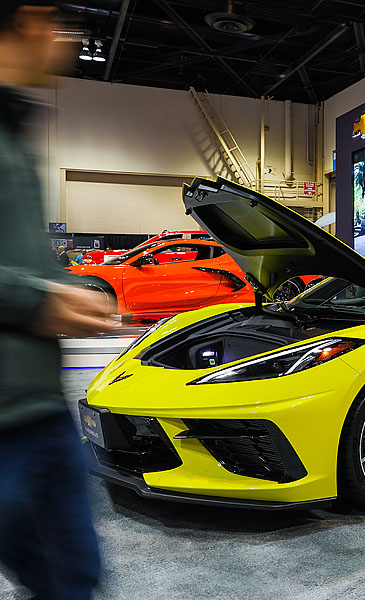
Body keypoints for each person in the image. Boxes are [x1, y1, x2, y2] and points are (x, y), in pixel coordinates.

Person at [0, 3, 114, 598]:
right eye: (62, 26)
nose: (67, 43)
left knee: (75, 574)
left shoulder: (16, 127)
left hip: (41, 406)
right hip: (6, 420)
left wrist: (58, 288)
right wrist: (35, 298)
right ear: (31, 20)